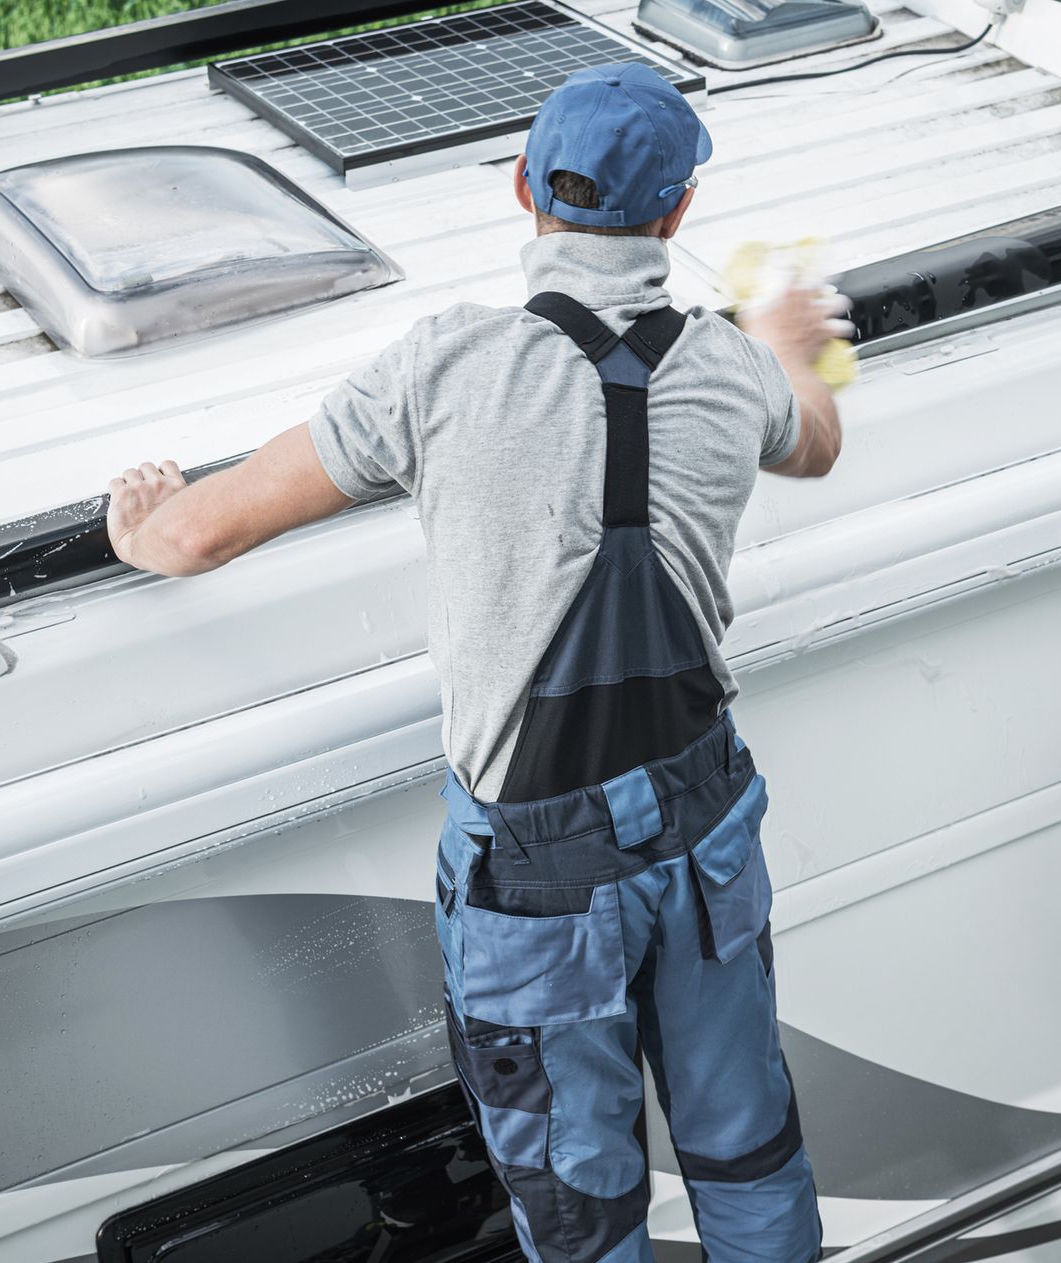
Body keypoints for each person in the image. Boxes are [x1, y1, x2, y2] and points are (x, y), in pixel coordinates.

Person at [103, 62, 847, 1262]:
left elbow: (197, 534)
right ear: (678, 214)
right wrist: (787, 342)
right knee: (747, 1143)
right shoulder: (731, 368)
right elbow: (814, 439)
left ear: (521, 191)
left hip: (539, 875)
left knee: (583, 1205)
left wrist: (141, 518)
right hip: (705, 825)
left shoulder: (443, 367)